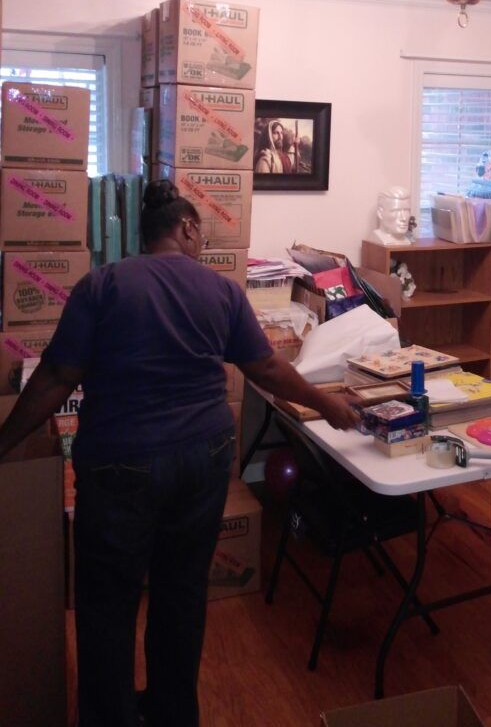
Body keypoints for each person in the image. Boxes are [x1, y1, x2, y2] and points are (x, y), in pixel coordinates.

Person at [0, 180, 357, 727]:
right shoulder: (221, 290)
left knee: (108, 602)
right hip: (204, 456)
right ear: (187, 228)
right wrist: (325, 403)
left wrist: (3, 442)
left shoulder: (102, 285)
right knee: (182, 592)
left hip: (120, 462)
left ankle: (112, 717)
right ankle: (172, 713)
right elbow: (265, 370)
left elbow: (55, 377)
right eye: (200, 232)